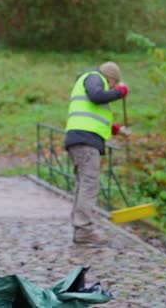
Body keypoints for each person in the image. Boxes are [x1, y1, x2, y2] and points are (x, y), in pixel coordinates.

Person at [64, 61, 130, 245]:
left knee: (83, 184)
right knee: (89, 185)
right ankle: (84, 229)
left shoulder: (91, 80)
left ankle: (80, 229)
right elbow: (97, 96)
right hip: (85, 141)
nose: (111, 89)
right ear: (111, 79)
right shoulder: (94, 78)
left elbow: (93, 115)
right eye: (112, 85)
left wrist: (116, 129)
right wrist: (120, 92)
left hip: (81, 139)